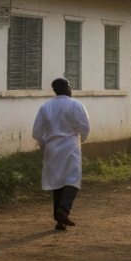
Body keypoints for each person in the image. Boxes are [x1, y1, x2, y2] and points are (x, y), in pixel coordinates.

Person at [31, 77, 91, 230]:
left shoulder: (46, 107)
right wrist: (80, 140)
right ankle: (64, 209)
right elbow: (85, 127)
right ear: (66, 88)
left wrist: (45, 143)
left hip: (52, 147)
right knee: (73, 179)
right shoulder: (76, 105)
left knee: (57, 182)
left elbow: (37, 132)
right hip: (70, 145)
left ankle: (59, 221)